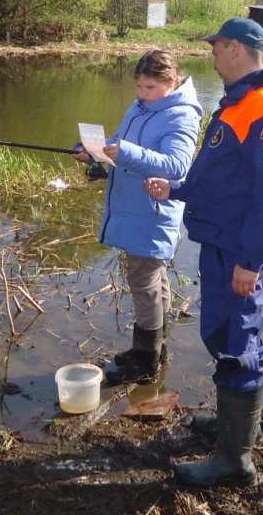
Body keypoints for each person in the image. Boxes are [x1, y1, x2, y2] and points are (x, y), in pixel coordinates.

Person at [144, 17, 263, 490]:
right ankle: (230, 424)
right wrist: (175, 188)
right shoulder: (235, 103)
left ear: (236, 49)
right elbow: (220, 174)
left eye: (216, 50)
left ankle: (235, 460)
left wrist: (250, 262)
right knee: (222, 334)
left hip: (238, 251)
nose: (211, 58)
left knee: (238, 344)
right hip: (220, 245)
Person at [73, 49, 202, 384]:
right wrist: (93, 148)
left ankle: (145, 362)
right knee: (153, 281)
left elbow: (177, 166)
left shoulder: (182, 115)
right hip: (134, 208)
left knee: (143, 281)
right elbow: (119, 142)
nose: (142, 94)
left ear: (171, 82)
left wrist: (125, 152)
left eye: (149, 88)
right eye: (139, 86)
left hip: (153, 211)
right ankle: (155, 346)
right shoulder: (140, 106)